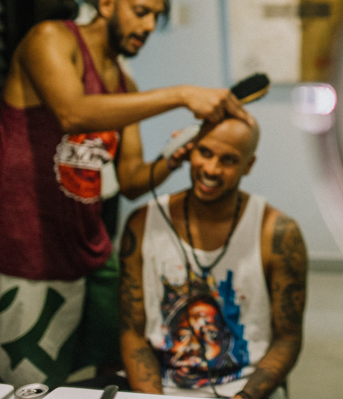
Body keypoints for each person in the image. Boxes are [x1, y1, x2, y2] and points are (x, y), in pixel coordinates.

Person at [0, 0, 251, 387]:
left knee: (108, 377)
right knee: (31, 388)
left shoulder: (123, 81)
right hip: (28, 254)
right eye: (140, 11)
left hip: (90, 252)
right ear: (106, 2)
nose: (148, 25)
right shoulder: (51, 39)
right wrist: (181, 95)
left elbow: (133, 181)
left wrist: (180, 154)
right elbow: (72, 112)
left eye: (156, 17)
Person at [119, 116, 307, 398]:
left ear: (248, 165)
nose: (211, 169)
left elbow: (288, 339)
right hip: (158, 388)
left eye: (228, 160)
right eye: (204, 152)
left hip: (243, 387)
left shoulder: (277, 233)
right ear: (188, 150)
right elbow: (132, 331)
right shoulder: (143, 224)